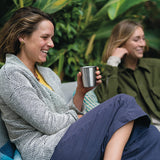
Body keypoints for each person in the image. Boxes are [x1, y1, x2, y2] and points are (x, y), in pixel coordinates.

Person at [0, 7, 159, 160]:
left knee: (148, 136)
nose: (51, 44)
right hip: (46, 150)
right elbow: (49, 124)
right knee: (124, 101)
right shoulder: (11, 74)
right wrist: (78, 117)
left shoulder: (48, 75)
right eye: (44, 37)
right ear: (22, 36)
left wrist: (80, 93)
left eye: (52, 38)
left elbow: (63, 114)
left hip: (70, 139)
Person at [91, 19, 160, 131]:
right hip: (143, 133)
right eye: (136, 40)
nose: (142, 44)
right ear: (121, 43)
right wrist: (113, 62)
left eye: (143, 39)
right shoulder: (111, 76)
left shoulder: (156, 67)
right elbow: (109, 106)